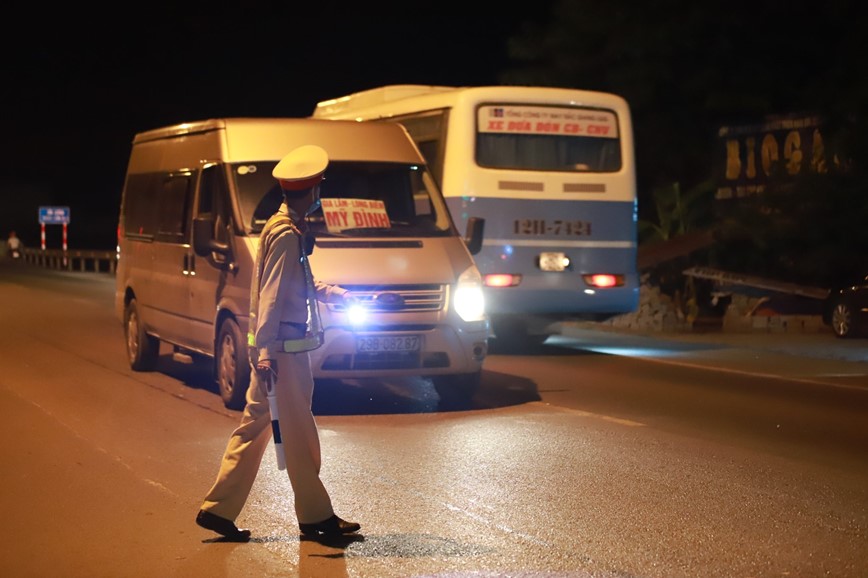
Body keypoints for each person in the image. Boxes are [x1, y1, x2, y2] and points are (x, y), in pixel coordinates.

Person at [196, 145, 361, 542]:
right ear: (313, 191)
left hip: (272, 348)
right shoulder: (288, 235)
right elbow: (271, 294)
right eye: (319, 189)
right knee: (300, 433)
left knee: (253, 428)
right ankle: (316, 518)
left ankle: (217, 510)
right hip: (283, 352)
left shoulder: (279, 226)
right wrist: (267, 351)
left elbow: (292, 285)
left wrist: (335, 293)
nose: (320, 196)